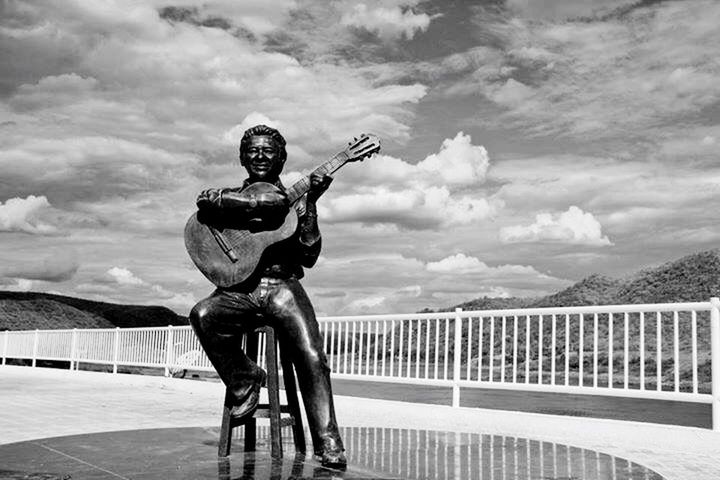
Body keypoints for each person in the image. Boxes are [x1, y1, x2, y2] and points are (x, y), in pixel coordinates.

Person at [188, 124, 346, 467]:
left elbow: (309, 255)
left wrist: (312, 205)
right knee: (202, 315)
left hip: (282, 288)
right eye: (253, 150)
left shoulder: (298, 202)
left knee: (312, 354)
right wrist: (251, 201)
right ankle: (246, 377)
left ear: (282, 158)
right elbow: (204, 199)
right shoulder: (229, 197)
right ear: (243, 157)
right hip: (238, 290)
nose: (260, 156)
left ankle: (328, 440)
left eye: (268, 150)